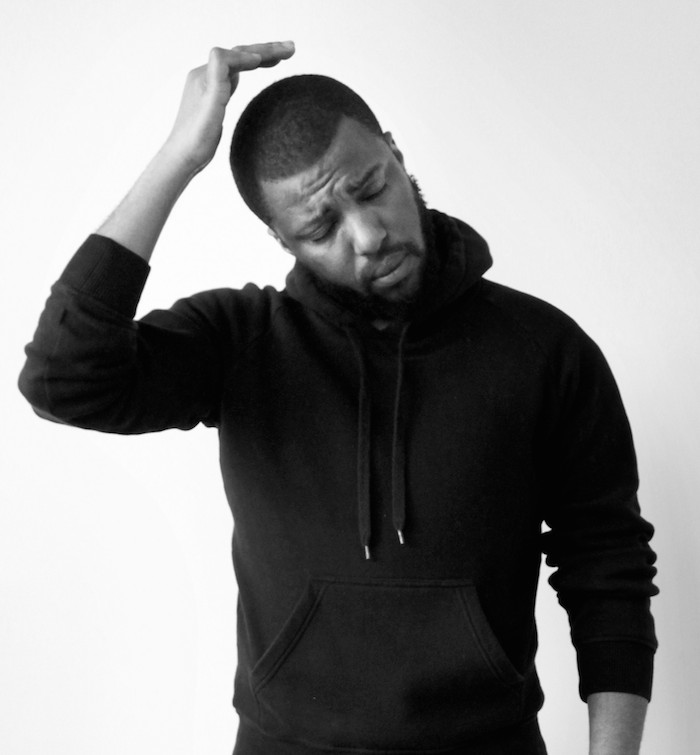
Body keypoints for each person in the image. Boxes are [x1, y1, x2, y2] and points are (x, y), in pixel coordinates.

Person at [18, 42, 658, 754]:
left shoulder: (544, 348)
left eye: (372, 187)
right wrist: (178, 157)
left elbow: (609, 571)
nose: (369, 235)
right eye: (321, 228)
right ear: (280, 238)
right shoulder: (241, 342)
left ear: (395, 154)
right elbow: (62, 380)